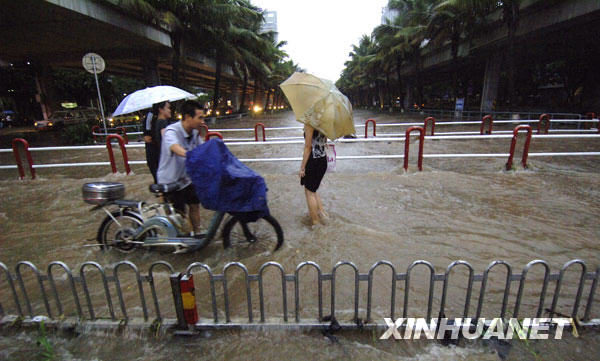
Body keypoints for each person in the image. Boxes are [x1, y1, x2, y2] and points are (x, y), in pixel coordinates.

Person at [157, 100, 205, 236]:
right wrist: (189, 154)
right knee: (179, 213)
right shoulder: (171, 131)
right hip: (171, 180)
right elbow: (175, 147)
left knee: (195, 205)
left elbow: (202, 149)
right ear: (188, 117)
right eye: (200, 117)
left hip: (186, 178)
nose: (202, 121)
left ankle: (197, 233)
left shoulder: (195, 133)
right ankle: (179, 238)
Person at [299, 123, 328, 226]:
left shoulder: (310, 124)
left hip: (313, 160)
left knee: (309, 191)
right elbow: (324, 142)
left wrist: (302, 167)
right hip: (323, 159)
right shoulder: (324, 122)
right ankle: (322, 215)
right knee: (313, 190)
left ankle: (315, 223)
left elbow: (308, 147)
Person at [144, 101, 172, 183]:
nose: (170, 110)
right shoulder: (153, 118)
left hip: (159, 154)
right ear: (161, 109)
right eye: (168, 108)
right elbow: (166, 140)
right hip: (155, 152)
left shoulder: (162, 120)